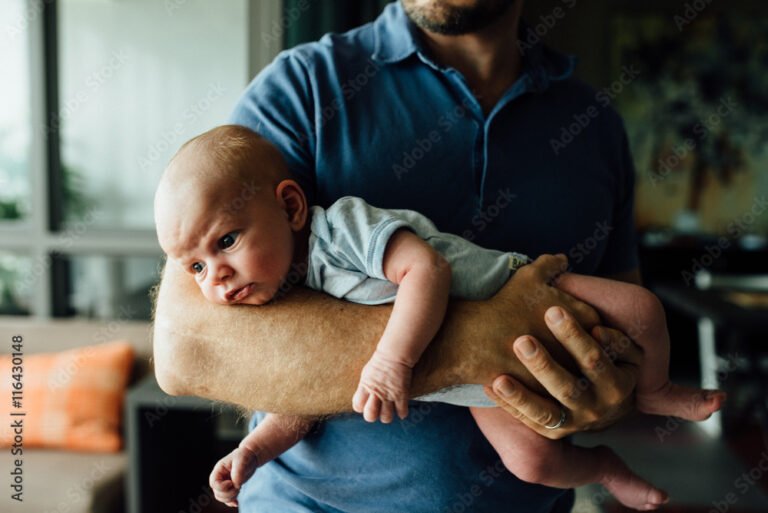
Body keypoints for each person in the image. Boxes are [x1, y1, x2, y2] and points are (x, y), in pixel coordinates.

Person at [152, 1, 652, 511]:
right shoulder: (304, 87)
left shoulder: (594, 124)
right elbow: (189, 349)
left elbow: (628, 332)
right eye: (198, 265)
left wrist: (617, 394)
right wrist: (479, 339)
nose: (211, 273)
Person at [155, 125, 723, 510]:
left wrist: (391, 362)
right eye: (196, 268)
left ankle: (655, 390)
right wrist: (251, 452)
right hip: (482, 386)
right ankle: (603, 469)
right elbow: (299, 406)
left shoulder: (338, 231)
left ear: (290, 207)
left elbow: (425, 271)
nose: (217, 277)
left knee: (641, 309)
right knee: (532, 459)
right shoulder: (284, 293)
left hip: (513, 284)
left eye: (226, 241)